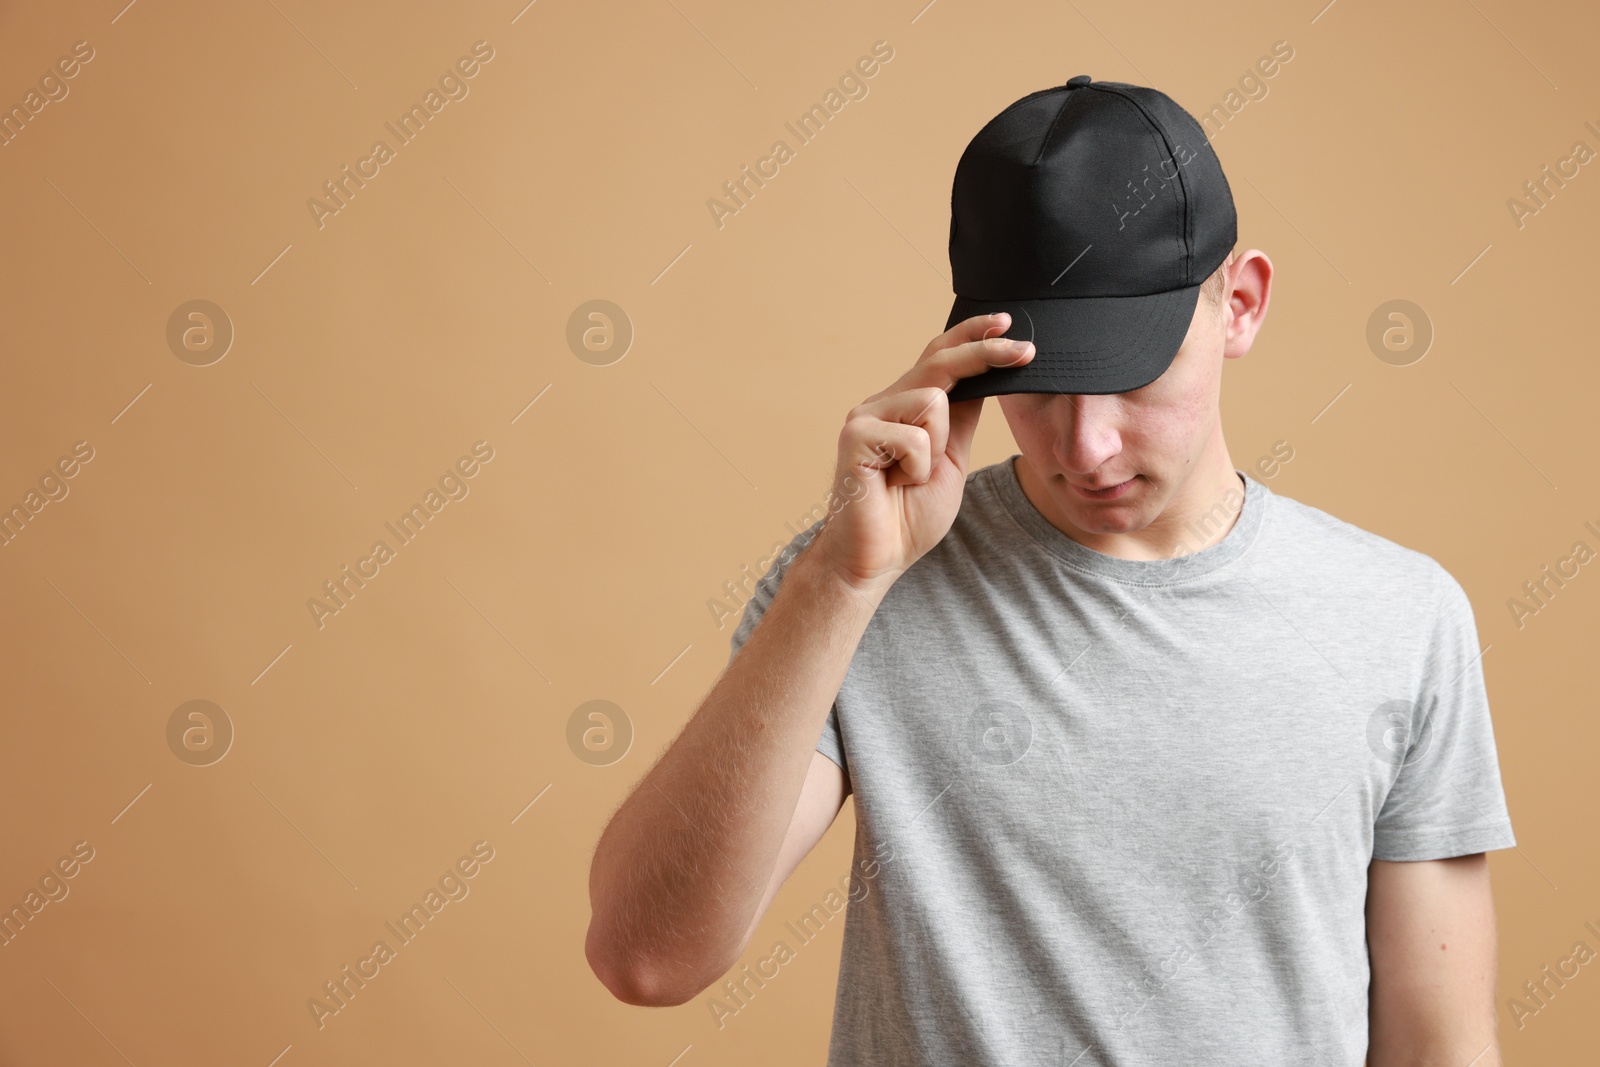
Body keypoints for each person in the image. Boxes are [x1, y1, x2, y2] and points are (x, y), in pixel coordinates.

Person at [585, 76, 1516, 1066]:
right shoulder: (860, 584)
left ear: (1238, 305)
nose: (1088, 446)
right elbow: (646, 957)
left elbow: (1439, 1047)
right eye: (1037, 387)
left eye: (1128, 374)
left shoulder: (1400, 618)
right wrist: (838, 582)